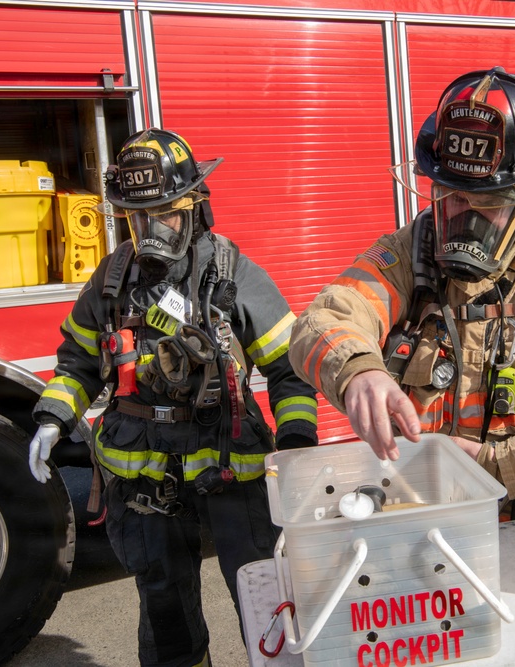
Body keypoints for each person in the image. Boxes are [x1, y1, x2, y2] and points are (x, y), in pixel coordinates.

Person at [289, 67, 515, 517]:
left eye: (489, 203)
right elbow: (324, 319)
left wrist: (501, 466)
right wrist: (358, 371)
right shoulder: (408, 253)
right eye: (453, 197)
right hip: (427, 513)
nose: (466, 219)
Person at [28, 128, 318, 667]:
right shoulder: (113, 280)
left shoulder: (232, 275)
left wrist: (297, 439)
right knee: (164, 608)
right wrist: (54, 417)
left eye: (166, 215)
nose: (152, 232)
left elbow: (289, 368)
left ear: (195, 209)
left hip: (230, 466)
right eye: (139, 219)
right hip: (144, 476)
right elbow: (78, 363)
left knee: (264, 593)